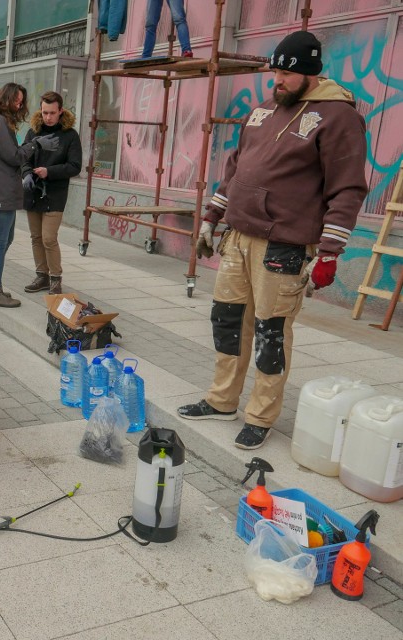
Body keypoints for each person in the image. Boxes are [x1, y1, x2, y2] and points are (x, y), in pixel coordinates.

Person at [178, 31, 368, 450]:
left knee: (271, 331)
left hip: (283, 244)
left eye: (285, 73)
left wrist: (331, 252)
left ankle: (260, 415)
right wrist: (213, 215)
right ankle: (222, 399)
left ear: (309, 73)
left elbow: (348, 189)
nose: (276, 80)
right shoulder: (264, 110)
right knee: (227, 321)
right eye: (275, 71)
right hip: (238, 237)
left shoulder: (338, 118)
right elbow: (235, 169)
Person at [0, 83, 59, 308]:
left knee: (6, 239)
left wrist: (30, 146)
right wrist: (35, 144)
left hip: (1, 186)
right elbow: (12, 156)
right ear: (6, 98)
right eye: (16, 101)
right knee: (0, 241)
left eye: (21, 101)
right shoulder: (0, 121)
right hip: (1, 188)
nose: (19, 105)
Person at [21, 91, 83, 295]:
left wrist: (50, 172)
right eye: (45, 112)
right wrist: (27, 173)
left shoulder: (70, 135)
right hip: (33, 191)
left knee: (49, 238)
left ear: (60, 111)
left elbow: (75, 166)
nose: (48, 117)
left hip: (55, 194)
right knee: (36, 237)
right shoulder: (33, 131)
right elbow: (23, 157)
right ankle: (42, 276)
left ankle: (56, 278)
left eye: (52, 113)